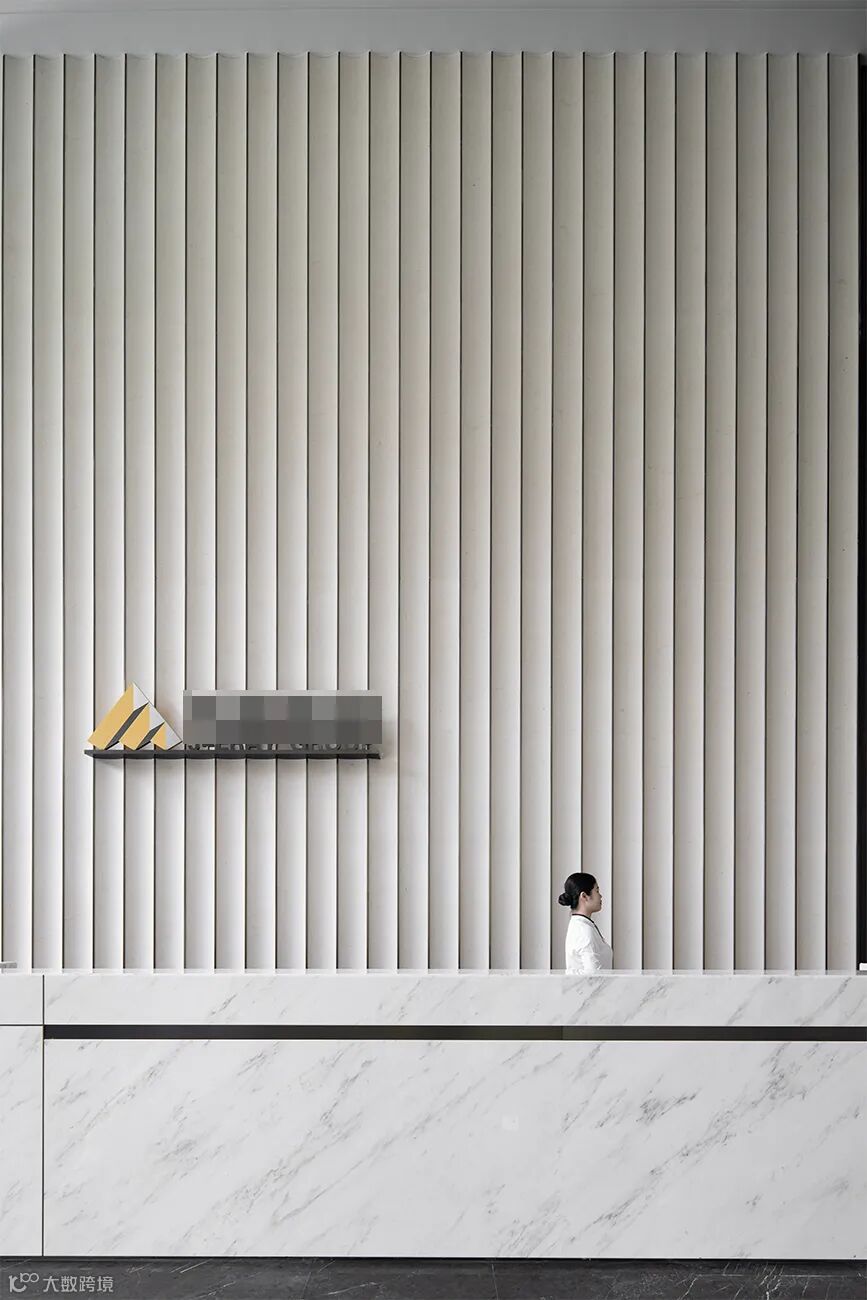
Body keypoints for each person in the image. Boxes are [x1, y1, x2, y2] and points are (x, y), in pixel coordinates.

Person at [558, 872, 613, 973]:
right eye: (597, 891)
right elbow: (592, 975)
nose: (600, 896)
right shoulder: (584, 931)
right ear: (584, 896)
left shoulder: (581, 925)